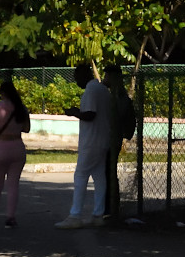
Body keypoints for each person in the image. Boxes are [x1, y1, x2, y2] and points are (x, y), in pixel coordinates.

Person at [56, 64, 112, 228]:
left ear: (83, 75)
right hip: (103, 140)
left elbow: (90, 114)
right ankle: (98, 214)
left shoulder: (91, 90)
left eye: (76, 77)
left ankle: (75, 215)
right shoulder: (102, 90)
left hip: (91, 141)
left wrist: (74, 112)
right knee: (99, 177)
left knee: (80, 175)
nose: (76, 81)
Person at [0, 81, 31, 228]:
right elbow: (27, 128)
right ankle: (10, 218)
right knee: (13, 185)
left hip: (1, 147)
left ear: (3, 93)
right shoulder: (21, 108)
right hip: (17, 147)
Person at [103, 64, 136, 218]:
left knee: (109, 172)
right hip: (110, 138)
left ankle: (111, 207)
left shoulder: (119, 96)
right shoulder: (113, 94)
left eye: (107, 76)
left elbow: (118, 117)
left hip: (112, 139)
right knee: (107, 172)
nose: (105, 79)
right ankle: (109, 206)